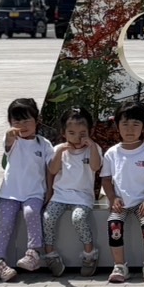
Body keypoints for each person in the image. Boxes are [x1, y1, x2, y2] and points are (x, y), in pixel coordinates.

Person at [0, 97, 55, 281]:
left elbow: (51, 169)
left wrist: (50, 191)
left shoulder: (44, 144)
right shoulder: (12, 140)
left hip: (34, 192)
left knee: (31, 213)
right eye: (17, 121)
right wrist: (10, 136)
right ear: (10, 123)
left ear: (37, 120)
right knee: (5, 223)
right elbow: (7, 144)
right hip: (10, 192)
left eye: (27, 120)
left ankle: (33, 253)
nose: (22, 125)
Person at [101, 104, 144, 284]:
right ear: (117, 125)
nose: (130, 129)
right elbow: (106, 179)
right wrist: (112, 198)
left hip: (142, 202)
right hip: (120, 203)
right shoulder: (111, 153)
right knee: (114, 224)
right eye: (125, 124)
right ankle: (119, 266)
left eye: (135, 124)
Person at [41, 106, 102, 278]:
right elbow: (52, 170)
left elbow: (95, 167)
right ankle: (50, 254)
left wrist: (92, 146)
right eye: (72, 133)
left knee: (78, 218)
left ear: (90, 132)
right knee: (48, 218)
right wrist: (60, 151)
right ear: (64, 133)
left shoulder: (93, 148)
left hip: (82, 197)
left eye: (83, 133)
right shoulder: (59, 149)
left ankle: (89, 254)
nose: (77, 137)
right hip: (60, 195)